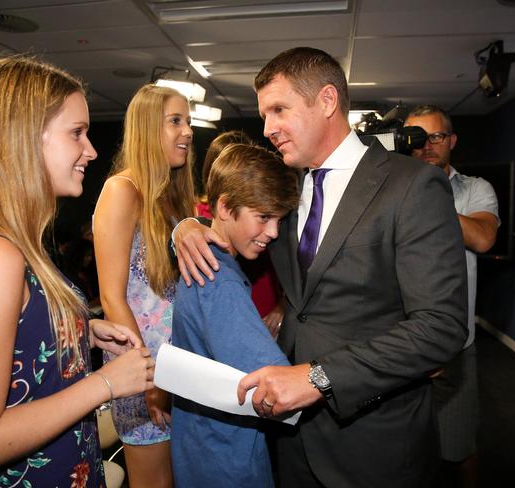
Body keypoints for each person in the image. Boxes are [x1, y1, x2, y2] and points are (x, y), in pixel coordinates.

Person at [173, 47, 468, 487]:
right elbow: (233, 214)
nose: (267, 128)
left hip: (374, 443)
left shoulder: (412, 186)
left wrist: (320, 378)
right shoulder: (286, 187)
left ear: (327, 100)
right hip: (291, 443)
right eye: (264, 114)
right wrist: (186, 226)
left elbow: (441, 326)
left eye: (278, 110)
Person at [0, 55, 155, 487]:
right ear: (23, 139)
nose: (91, 150)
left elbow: (11, 340)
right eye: (76, 133)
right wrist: (105, 384)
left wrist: (78, 327)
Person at [171, 143, 299, 487]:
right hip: (227, 460)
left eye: (279, 220)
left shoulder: (202, 259)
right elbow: (282, 389)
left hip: (202, 447)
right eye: (263, 217)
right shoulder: (219, 280)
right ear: (225, 207)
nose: (273, 233)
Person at [93, 83, 195, 488]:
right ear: (146, 129)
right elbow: (111, 298)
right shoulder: (122, 191)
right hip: (144, 370)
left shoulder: (168, 197)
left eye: (188, 121)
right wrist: (150, 380)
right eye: (175, 121)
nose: (187, 131)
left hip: (180, 366)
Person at [405, 105, 499, 487]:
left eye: (436, 137)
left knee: (459, 448)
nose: (426, 146)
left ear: (452, 141)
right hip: (402, 344)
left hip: (456, 346)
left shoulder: (475, 189)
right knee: (402, 449)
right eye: (417, 138)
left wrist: (426, 193)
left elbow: (482, 237)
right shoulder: (391, 188)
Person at [197, 130, 285, 336]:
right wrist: (321, 370)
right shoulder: (223, 282)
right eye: (263, 217)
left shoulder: (228, 279)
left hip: (265, 310)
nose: (273, 232)